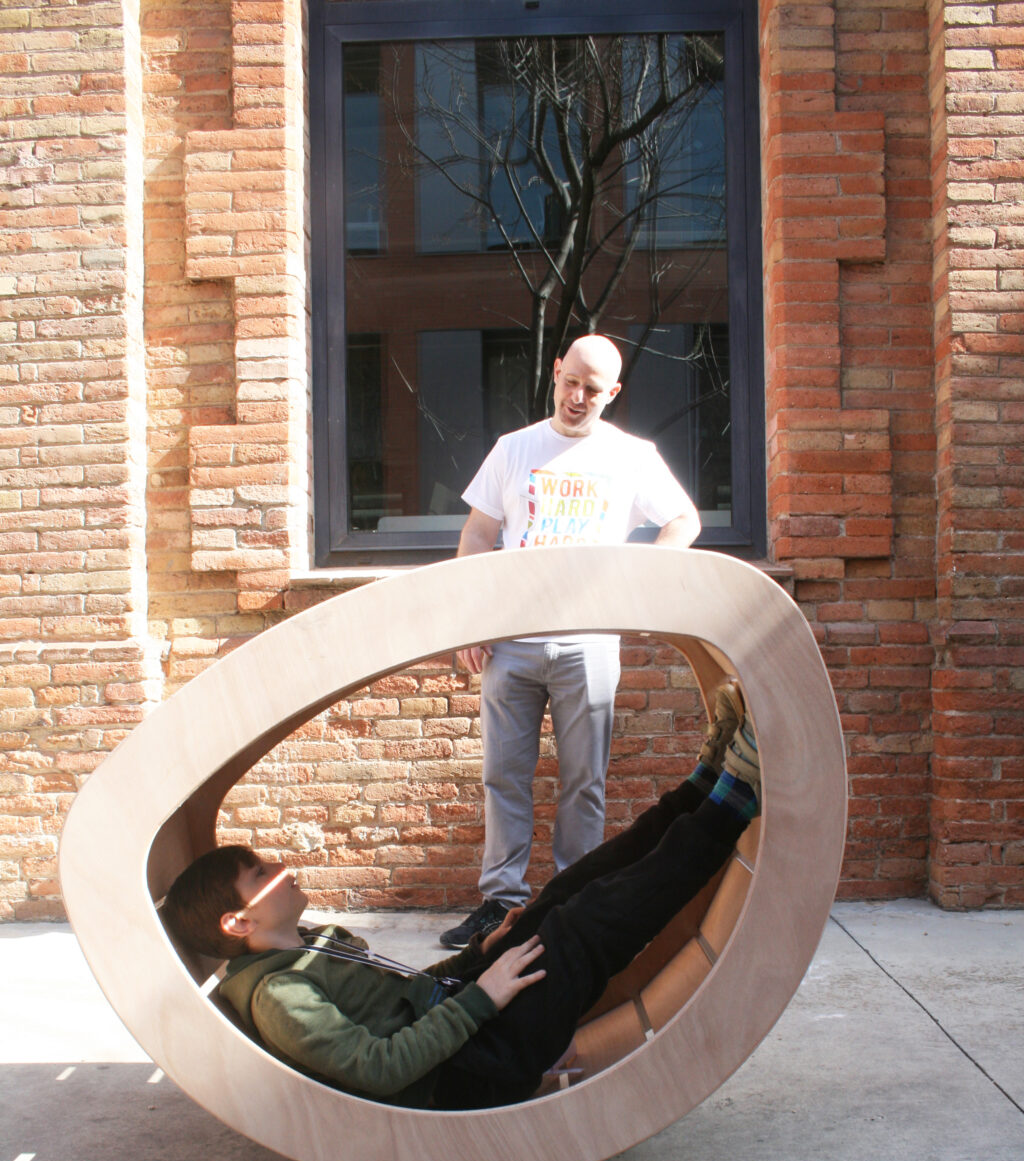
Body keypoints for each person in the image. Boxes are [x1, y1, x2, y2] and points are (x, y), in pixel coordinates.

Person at [162, 685, 757, 1112]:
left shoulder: (308, 947)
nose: (281, 868)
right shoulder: (281, 996)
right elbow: (381, 1068)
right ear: (239, 922)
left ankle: (705, 785)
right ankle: (731, 804)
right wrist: (483, 996)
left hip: (467, 1027)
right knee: (582, 925)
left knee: (564, 894)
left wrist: (479, 956)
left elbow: (405, 999)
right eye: (260, 873)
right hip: (470, 1073)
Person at [440, 333, 702, 949]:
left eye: (593, 389)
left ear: (613, 393)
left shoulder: (631, 455)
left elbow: (684, 520)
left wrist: (638, 580)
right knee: (504, 777)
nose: (578, 397)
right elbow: (478, 533)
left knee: (584, 783)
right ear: (556, 372)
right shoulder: (515, 448)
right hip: (511, 641)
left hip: (589, 643)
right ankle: (499, 903)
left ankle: (572, 902)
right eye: (571, 381)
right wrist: (472, 621)